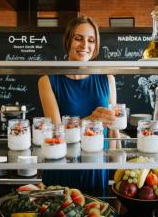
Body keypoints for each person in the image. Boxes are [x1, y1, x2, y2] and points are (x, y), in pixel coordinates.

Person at [38, 15, 117, 191]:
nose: (85, 45)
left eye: (91, 40)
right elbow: (55, 134)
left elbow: (113, 131)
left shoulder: (107, 79)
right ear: (68, 41)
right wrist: (90, 121)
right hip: (62, 166)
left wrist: (115, 178)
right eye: (78, 38)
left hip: (97, 168)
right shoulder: (47, 81)